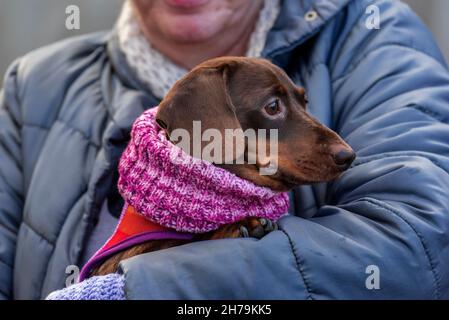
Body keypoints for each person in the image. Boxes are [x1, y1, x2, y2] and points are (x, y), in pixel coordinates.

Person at [1, 0, 449, 300]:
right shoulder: (35, 86)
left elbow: (415, 243)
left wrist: (129, 291)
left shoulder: (373, 39)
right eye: (273, 106)